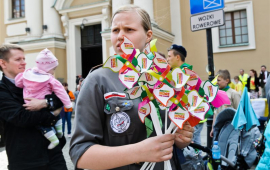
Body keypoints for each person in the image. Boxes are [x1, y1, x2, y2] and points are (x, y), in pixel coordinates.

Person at [70, 5, 194, 170]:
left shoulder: (163, 78)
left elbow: (168, 134)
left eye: (129, 30)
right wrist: (139, 152)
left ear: (148, 35)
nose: (120, 36)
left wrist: (181, 139)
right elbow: (80, 153)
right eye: (115, 30)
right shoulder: (98, 80)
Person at [0, 44, 67, 170]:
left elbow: (60, 98)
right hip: (25, 160)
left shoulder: (36, 79)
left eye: (24, 59)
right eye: (18, 59)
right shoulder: (2, 90)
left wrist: (44, 103)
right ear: (3, 63)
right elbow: (23, 118)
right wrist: (52, 113)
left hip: (53, 155)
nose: (24, 63)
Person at [14, 48, 72, 149]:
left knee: (42, 125)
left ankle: (54, 138)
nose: (53, 72)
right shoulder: (50, 79)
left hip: (29, 104)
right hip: (41, 110)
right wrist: (67, 104)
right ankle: (58, 132)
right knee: (53, 116)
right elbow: (61, 93)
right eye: (53, 69)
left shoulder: (26, 75)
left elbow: (18, 83)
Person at [210, 70, 241, 137]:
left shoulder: (233, 93)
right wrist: (213, 128)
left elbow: (239, 112)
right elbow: (215, 113)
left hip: (230, 129)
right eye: (216, 80)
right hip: (218, 128)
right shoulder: (217, 94)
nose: (216, 82)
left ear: (227, 80)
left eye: (218, 80)